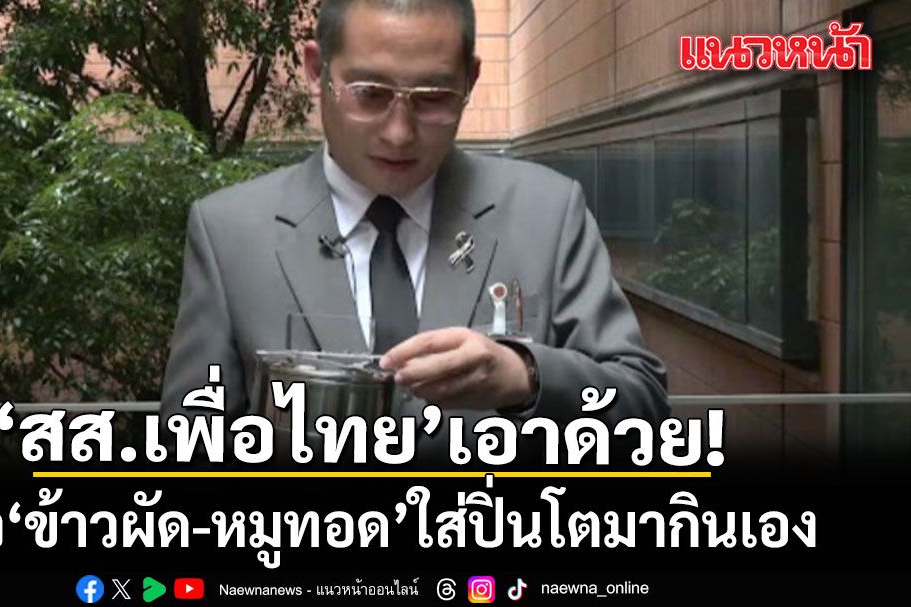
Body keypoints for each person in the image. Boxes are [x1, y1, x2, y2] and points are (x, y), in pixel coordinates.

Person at [160, 0, 668, 463]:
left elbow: (643, 405)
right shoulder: (229, 233)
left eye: (433, 98)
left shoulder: (547, 212)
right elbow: (189, 449)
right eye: (369, 94)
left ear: (470, 80)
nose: (399, 133)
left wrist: (525, 376)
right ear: (317, 70)